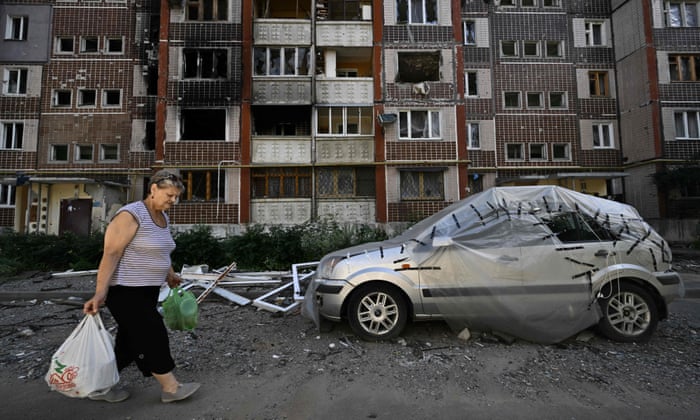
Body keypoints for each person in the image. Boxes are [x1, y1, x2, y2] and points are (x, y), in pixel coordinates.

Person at [83, 170, 200, 403]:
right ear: (153, 189)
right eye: (169, 195)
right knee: (151, 334)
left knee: (128, 343)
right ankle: (170, 387)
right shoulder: (131, 215)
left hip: (147, 291)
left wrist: (169, 274)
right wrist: (100, 292)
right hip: (125, 290)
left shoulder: (163, 217)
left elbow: (159, 251)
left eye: (176, 197)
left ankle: (98, 386)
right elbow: (111, 253)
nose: (173, 201)